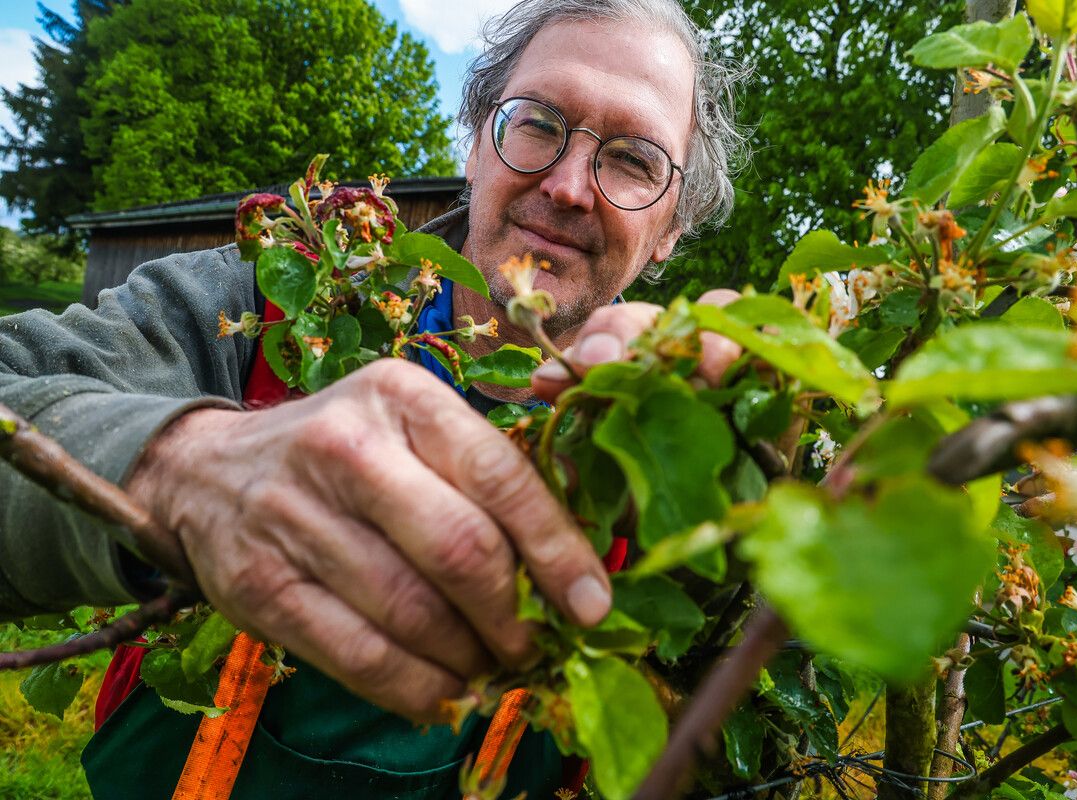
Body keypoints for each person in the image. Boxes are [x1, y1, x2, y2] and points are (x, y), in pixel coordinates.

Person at [0, 0, 746, 796]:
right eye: (538, 122)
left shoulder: (670, 433)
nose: (568, 186)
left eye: (633, 159)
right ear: (476, 141)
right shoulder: (278, 301)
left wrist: (738, 477)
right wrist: (179, 465)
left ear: (670, 230)